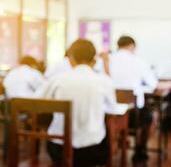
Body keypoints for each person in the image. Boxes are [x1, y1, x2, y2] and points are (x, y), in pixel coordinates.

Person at [37, 39, 127, 167]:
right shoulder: (104, 81)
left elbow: (36, 102)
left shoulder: (57, 79)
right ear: (94, 60)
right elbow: (113, 109)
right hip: (92, 149)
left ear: (70, 59)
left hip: (59, 147)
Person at [104, 35, 158, 161]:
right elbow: (153, 84)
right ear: (132, 46)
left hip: (107, 114)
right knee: (151, 117)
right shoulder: (139, 62)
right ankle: (140, 150)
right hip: (134, 115)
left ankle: (113, 143)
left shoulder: (107, 60)